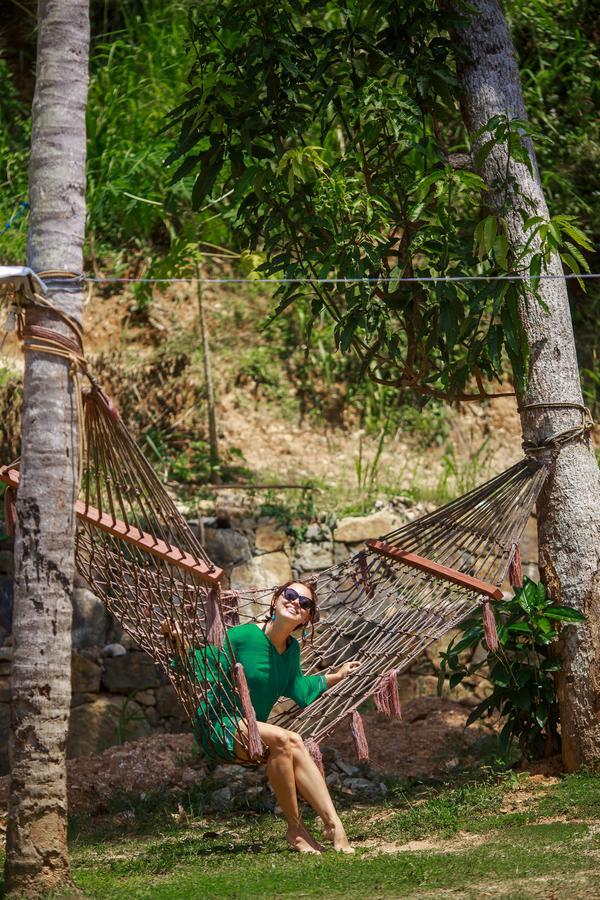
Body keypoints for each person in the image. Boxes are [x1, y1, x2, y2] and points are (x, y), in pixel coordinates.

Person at [162, 580, 360, 854]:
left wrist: (336, 676)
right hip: (219, 724)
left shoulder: (292, 651)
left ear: (307, 617)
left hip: (252, 731)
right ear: (275, 601)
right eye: (290, 595)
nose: (295, 603)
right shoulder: (243, 636)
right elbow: (201, 666)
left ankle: (334, 825)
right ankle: (296, 829)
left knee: (293, 744)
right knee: (286, 737)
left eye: (305, 603)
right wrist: (179, 642)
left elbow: (299, 688)